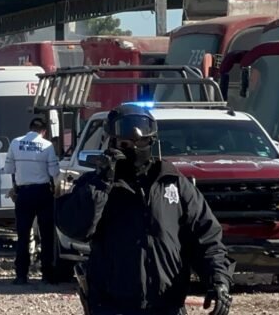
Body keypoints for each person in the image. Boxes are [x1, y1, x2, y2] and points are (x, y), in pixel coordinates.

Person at [56, 104, 232, 315]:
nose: (133, 147)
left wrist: (218, 280)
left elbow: (207, 237)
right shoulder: (95, 185)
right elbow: (75, 227)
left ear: (152, 141)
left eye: (141, 141)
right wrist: (102, 183)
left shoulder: (173, 183)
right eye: (125, 143)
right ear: (111, 143)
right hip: (112, 306)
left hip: (167, 305)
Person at [4, 117, 60, 284]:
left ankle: (21, 275)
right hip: (43, 193)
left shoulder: (15, 143)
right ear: (44, 131)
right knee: (47, 236)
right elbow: (54, 172)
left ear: (29, 128)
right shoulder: (47, 145)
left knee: (23, 235)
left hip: (24, 194)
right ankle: (47, 275)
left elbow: (9, 169)